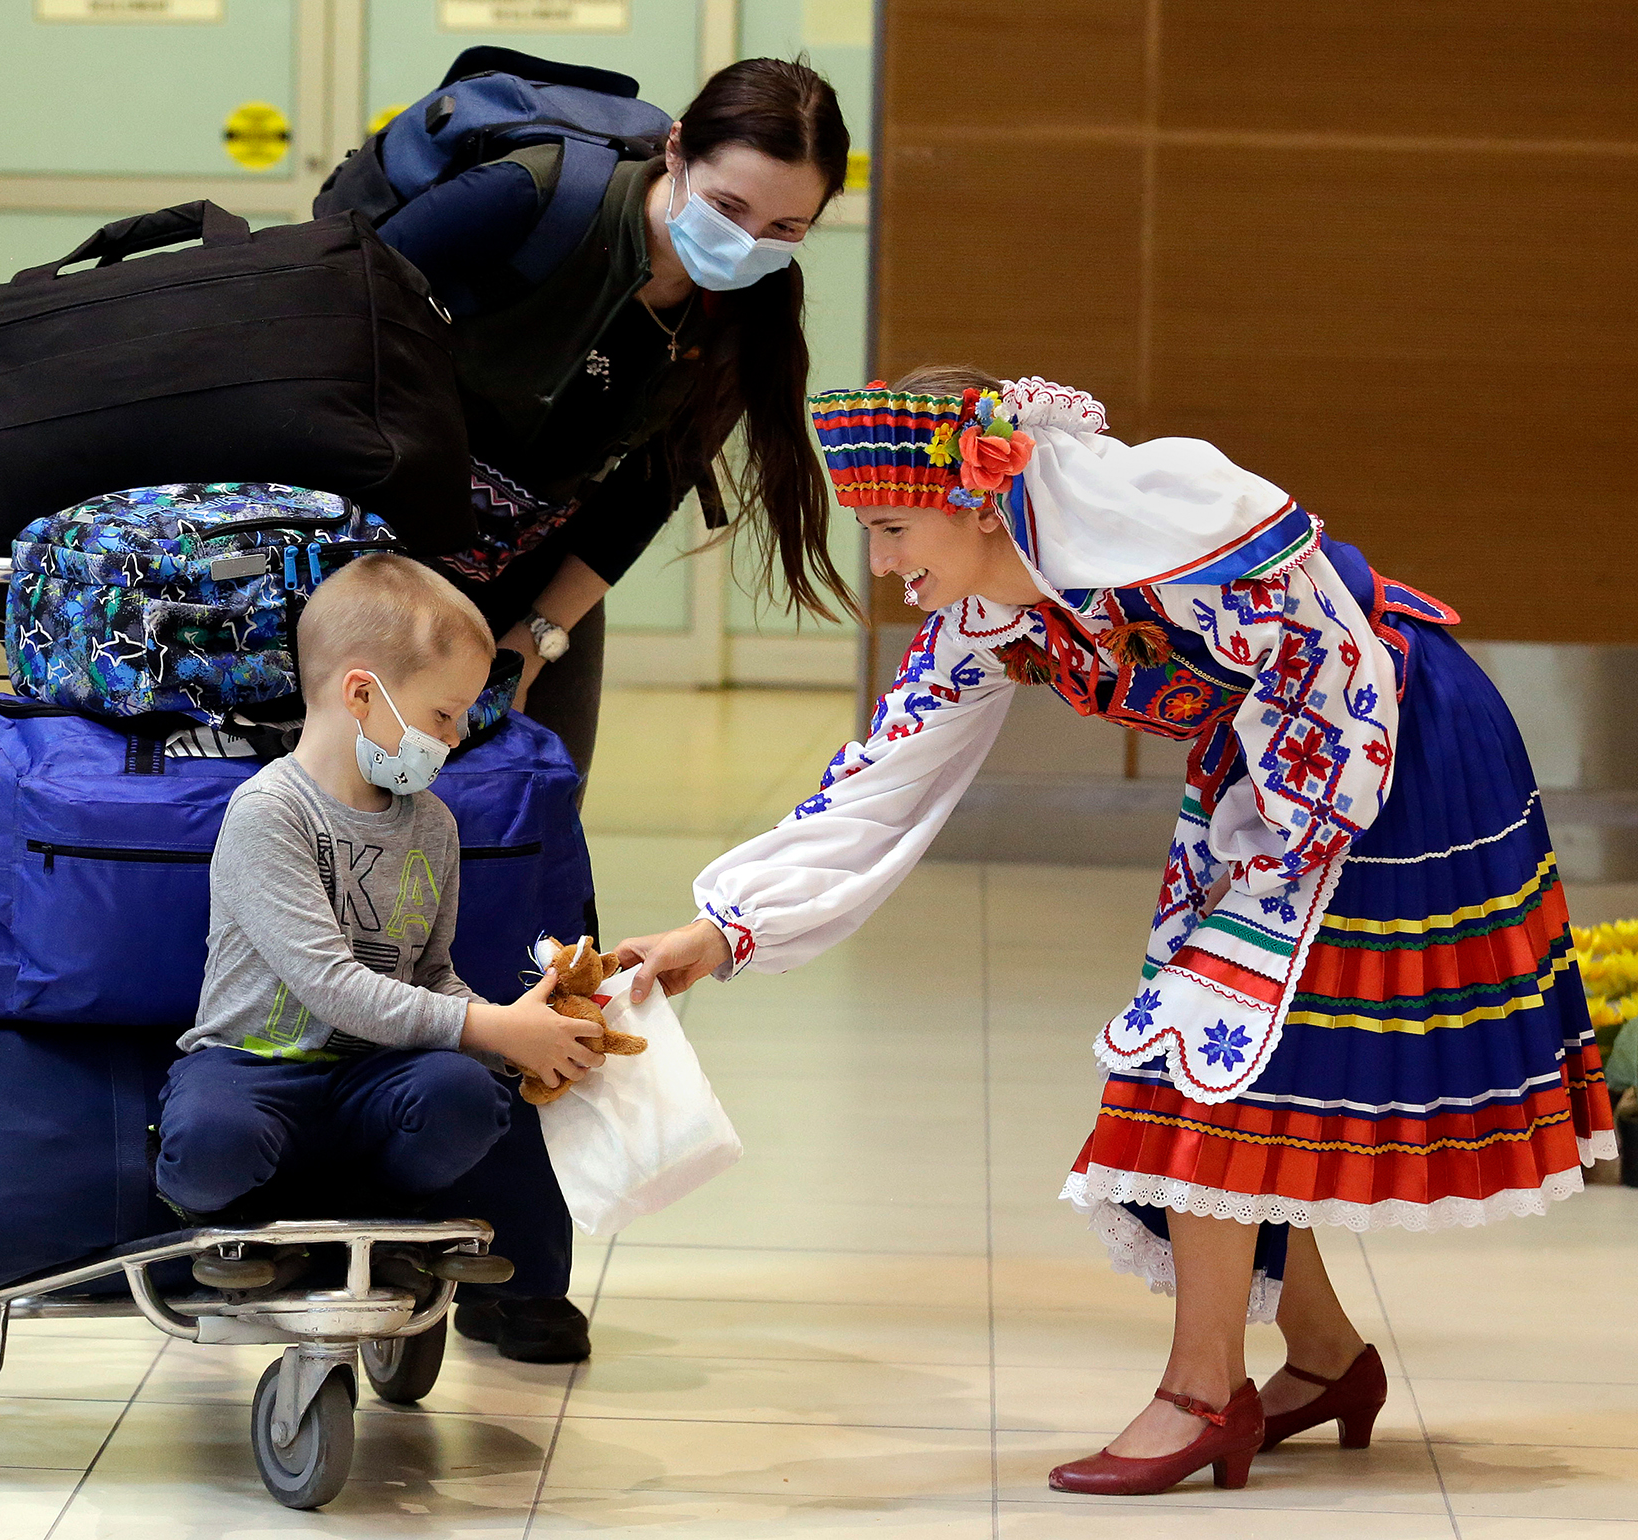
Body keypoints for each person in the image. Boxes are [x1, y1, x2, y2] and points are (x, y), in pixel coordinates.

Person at [614, 371, 1618, 1493]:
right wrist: (720, 927)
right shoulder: (985, 611)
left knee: (1201, 1057)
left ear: (978, 497)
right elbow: (882, 776)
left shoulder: (1173, 523)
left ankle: (1204, 1393)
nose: (885, 563)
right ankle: (1326, 1358)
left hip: (1381, 756)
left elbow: (1331, 668)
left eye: (893, 527)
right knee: (1226, 1063)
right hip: (1273, 782)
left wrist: (1274, 846)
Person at [154, 553, 607, 1363]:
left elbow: (432, 977)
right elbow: (332, 987)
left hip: (374, 1075)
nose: (458, 735)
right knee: (210, 1139)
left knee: (466, 1096)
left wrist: (522, 1030)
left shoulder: (431, 823)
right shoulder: (269, 814)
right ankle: (243, 1231)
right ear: (361, 694)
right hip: (255, 1066)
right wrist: (495, 1027)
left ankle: (379, 1224)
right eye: (443, 713)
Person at [376, 57, 858, 779]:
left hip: (535, 570)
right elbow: (330, 326)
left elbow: (645, 494)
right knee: (363, 812)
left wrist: (532, 642)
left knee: (534, 815)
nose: (748, 243)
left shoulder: (746, 313)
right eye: (728, 208)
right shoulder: (527, 199)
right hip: (373, 549)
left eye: (786, 226)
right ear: (675, 151)